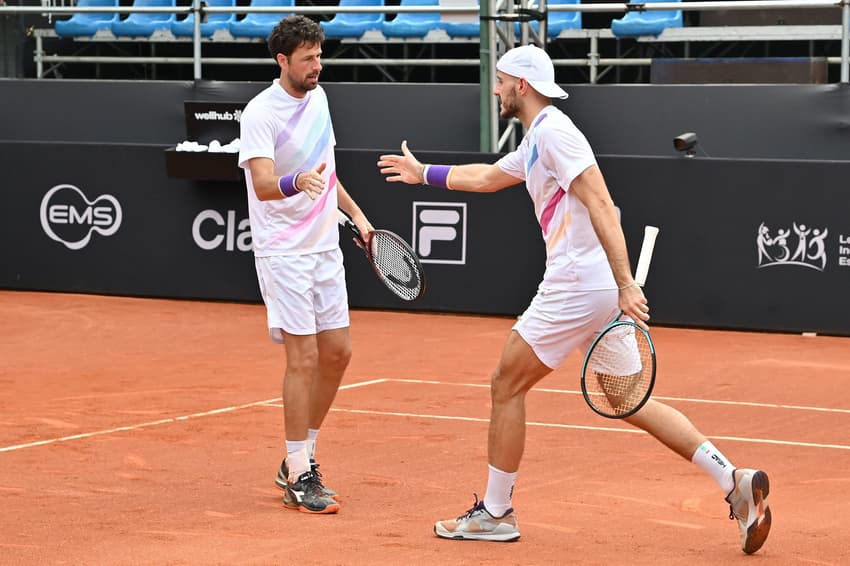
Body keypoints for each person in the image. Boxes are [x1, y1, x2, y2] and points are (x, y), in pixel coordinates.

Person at [377, 44, 771, 553]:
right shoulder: (538, 137)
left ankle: (496, 513)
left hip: (577, 283)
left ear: (521, 85)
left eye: (501, 81)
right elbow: (490, 177)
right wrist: (424, 172)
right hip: (595, 286)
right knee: (628, 400)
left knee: (506, 384)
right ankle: (732, 478)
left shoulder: (556, 133)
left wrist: (627, 283)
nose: (495, 89)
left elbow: (601, 200)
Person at [238, 14, 374, 515]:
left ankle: (299, 456)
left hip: (324, 247)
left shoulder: (320, 99)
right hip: (284, 251)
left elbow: (327, 172)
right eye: (308, 59)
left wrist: (358, 216)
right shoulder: (260, 113)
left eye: (319, 56)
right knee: (304, 359)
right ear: (283, 61)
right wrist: (296, 182)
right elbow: (263, 184)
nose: (317, 66)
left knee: (338, 353)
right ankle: (300, 474)